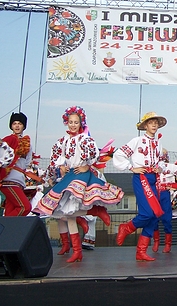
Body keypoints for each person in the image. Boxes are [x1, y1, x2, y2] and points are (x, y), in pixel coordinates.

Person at [33, 106, 123, 263]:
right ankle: (77, 251)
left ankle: (96, 211)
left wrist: (87, 165)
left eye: (76, 122)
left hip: (82, 175)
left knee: (69, 212)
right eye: (70, 122)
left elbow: (94, 154)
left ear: (81, 122)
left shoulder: (85, 139)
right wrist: (60, 166)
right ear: (66, 122)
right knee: (66, 214)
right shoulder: (63, 141)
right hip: (70, 175)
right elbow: (57, 158)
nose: (73, 125)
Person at [112, 111, 168, 261]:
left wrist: (159, 167)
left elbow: (161, 160)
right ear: (145, 126)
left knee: (155, 215)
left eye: (156, 122)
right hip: (141, 178)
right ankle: (127, 227)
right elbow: (119, 154)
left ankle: (141, 251)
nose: (154, 125)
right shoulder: (137, 140)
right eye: (151, 122)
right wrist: (131, 167)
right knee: (147, 213)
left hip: (153, 178)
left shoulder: (158, 142)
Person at [150, 150, 177, 253]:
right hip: (154, 194)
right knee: (153, 218)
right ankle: (156, 242)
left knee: (166, 219)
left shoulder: (171, 167)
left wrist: (174, 187)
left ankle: (168, 244)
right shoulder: (151, 167)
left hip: (165, 194)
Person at [0, 112, 33, 216]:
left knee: (10, 210)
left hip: (19, 179)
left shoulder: (27, 142)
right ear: (11, 126)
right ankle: (9, 226)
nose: (17, 126)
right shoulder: (7, 140)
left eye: (19, 123)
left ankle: (7, 230)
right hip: (9, 180)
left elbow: (27, 162)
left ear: (24, 126)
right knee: (25, 207)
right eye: (14, 123)